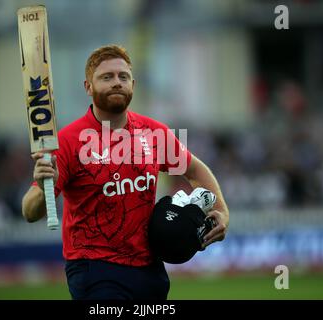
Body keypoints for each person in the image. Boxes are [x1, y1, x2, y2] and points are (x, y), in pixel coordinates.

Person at [21, 44, 229, 300]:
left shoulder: (154, 132)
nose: (116, 83)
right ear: (88, 87)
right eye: (106, 77)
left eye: (123, 77)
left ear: (133, 84)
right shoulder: (68, 142)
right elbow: (30, 212)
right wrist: (43, 188)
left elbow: (195, 170)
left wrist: (222, 212)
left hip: (149, 269)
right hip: (94, 269)